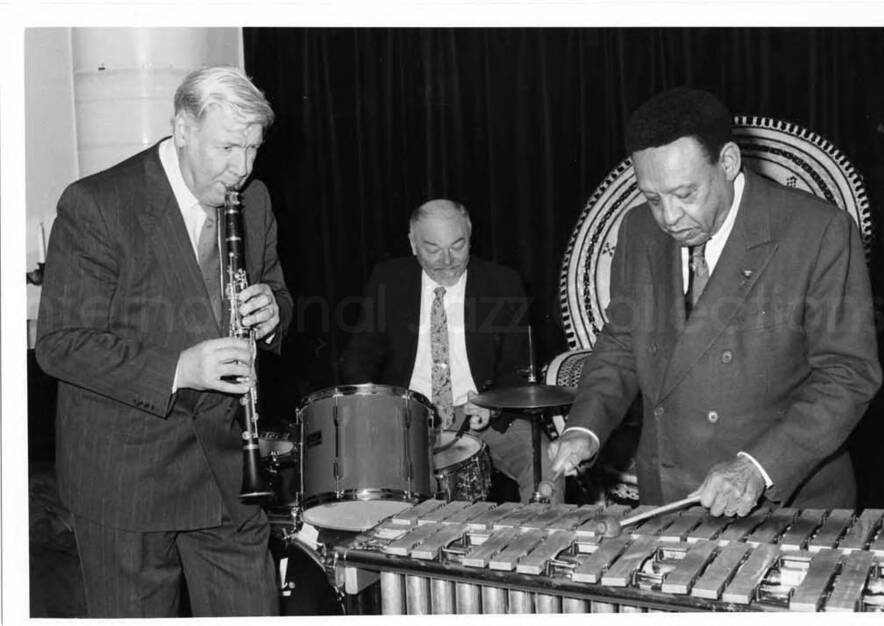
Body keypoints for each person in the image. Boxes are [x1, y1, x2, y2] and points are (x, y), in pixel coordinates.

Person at [549, 87, 881, 517]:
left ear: (727, 162)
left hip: (784, 504)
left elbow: (848, 374)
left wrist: (758, 468)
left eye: (686, 194)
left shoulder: (818, 232)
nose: (669, 218)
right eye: (653, 198)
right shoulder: (637, 231)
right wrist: (585, 428)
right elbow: (621, 344)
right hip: (668, 499)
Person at [35, 65, 293, 617]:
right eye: (227, 147)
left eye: (252, 149)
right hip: (128, 474)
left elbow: (275, 287)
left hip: (229, 467)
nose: (241, 169)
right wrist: (180, 367)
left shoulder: (255, 199)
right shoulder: (97, 204)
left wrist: (272, 312)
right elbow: (61, 343)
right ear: (182, 128)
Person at [340, 199, 564, 504]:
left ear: (470, 236)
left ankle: (539, 547)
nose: (447, 260)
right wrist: (378, 413)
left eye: (458, 246)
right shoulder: (389, 280)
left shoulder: (502, 283)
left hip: (480, 413)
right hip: (407, 417)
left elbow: (517, 367)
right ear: (413, 243)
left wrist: (492, 405)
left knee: (548, 468)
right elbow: (359, 359)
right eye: (432, 249)